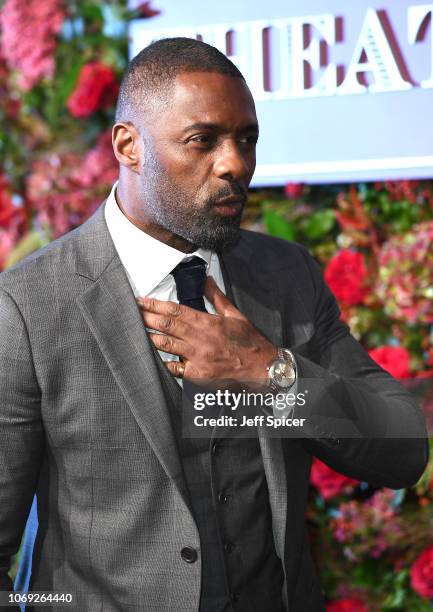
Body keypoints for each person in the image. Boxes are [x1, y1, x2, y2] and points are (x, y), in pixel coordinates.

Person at [0, 37, 428, 612]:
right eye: (203, 140)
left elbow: (401, 452)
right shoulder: (29, 305)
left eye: (246, 140)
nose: (235, 164)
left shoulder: (286, 275)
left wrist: (274, 375)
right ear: (129, 146)